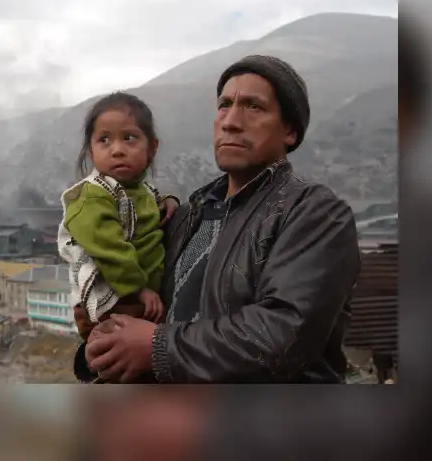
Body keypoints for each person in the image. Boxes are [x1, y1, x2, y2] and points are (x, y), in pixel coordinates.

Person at [75, 54, 362, 383]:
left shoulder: (315, 214)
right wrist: (102, 345)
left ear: (290, 131)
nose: (230, 121)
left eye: (253, 106)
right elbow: (147, 318)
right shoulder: (185, 216)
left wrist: (156, 346)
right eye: (224, 104)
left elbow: (282, 335)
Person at [58, 92, 180, 348]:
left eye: (129, 138)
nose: (117, 150)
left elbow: (145, 209)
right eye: (104, 140)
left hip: (139, 300)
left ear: (152, 148)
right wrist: (139, 289)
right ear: (91, 151)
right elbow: (109, 249)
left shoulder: (139, 190)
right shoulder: (92, 196)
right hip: (113, 299)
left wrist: (168, 202)